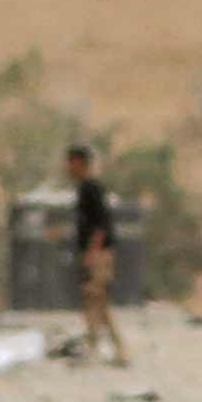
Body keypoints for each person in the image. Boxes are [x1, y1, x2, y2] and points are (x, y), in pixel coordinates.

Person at [61, 144, 128, 365]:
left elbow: (101, 224)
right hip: (94, 252)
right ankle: (112, 349)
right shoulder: (85, 189)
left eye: (71, 163)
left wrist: (92, 252)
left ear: (79, 163)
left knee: (94, 300)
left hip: (98, 255)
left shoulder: (91, 188)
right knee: (96, 302)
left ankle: (102, 349)